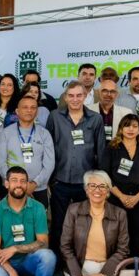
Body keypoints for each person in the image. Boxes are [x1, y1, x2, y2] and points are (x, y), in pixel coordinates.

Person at [45, 81, 106, 254]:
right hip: (60, 181)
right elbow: (48, 147)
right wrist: (51, 179)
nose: (75, 99)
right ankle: (57, 261)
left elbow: (101, 151)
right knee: (59, 223)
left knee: (84, 223)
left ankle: (80, 259)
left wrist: (98, 182)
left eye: (79, 95)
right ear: (65, 97)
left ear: (85, 96)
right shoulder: (55, 117)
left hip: (85, 183)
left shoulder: (96, 119)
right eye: (71, 96)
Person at [58, 170, 131, 276]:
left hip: (109, 267)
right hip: (80, 268)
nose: (97, 190)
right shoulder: (74, 210)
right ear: (86, 189)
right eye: (92, 185)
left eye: (102, 186)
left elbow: (123, 249)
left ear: (108, 190)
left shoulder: (120, 214)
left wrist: (103, 275)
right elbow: (65, 246)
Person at [99, 114, 139, 257]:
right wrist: (121, 197)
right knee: (114, 236)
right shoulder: (111, 149)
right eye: (127, 126)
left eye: (135, 126)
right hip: (115, 198)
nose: (131, 129)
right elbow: (105, 175)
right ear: (121, 129)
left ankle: (132, 267)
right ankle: (114, 267)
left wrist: (136, 198)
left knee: (135, 238)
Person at [0, 93, 54, 206]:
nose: (29, 110)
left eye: (33, 107)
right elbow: (1, 163)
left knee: (37, 217)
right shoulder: (6, 133)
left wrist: (34, 184)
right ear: (17, 111)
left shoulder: (44, 134)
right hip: (12, 188)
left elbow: (49, 164)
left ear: (37, 112)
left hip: (38, 188)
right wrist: (17, 183)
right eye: (25, 107)